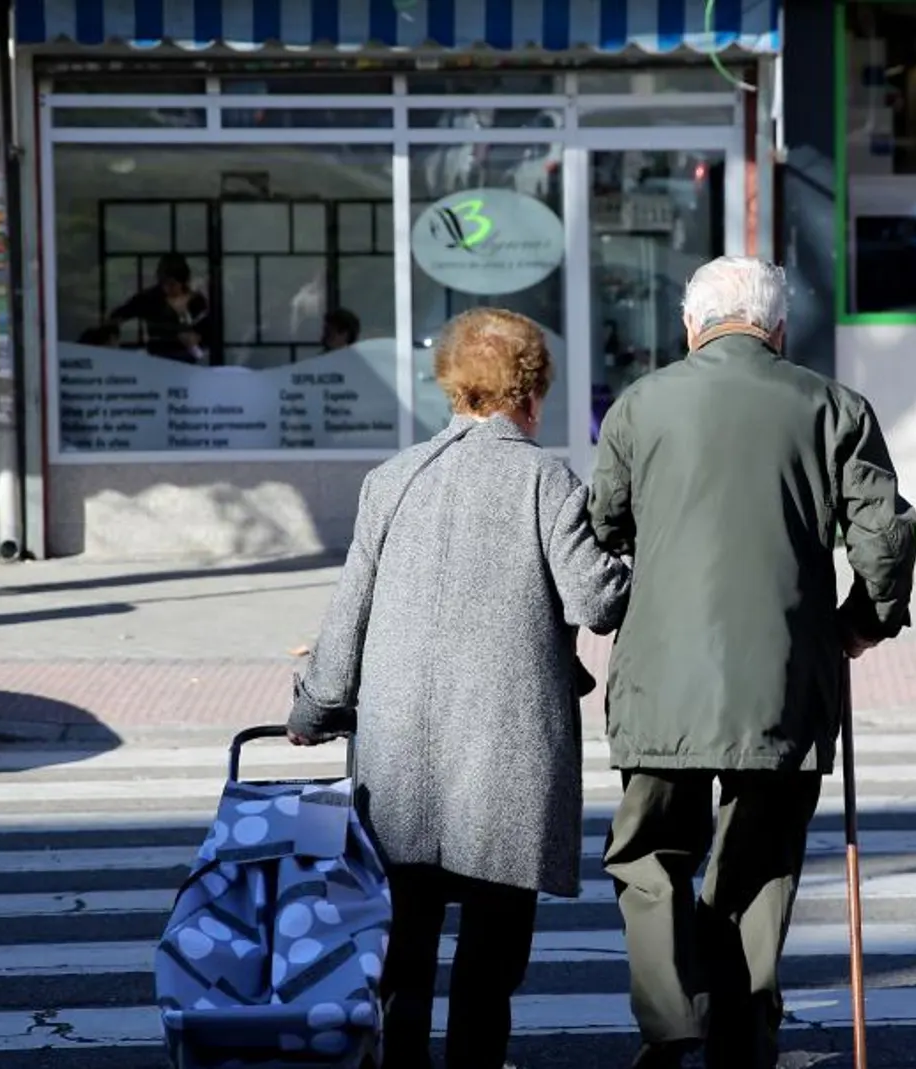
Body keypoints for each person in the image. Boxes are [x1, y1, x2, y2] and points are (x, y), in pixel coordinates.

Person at [589, 256, 916, 1069]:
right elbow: (885, 533)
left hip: (663, 678)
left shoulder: (640, 404)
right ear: (776, 327)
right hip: (782, 676)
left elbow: (605, 521)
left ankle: (671, 1028)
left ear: (692, 326)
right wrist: (864, 621)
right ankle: (741, 1039)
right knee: (759, 862)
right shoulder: (833, 406)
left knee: (649, 854)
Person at [285, 306, 631, 1069]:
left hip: (401, 762)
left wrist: (312, 707)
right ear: (530, 390)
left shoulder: (391, 479)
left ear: (452, 387)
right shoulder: (545, 478)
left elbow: (348, 617)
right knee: (489, 965)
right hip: (506, 764)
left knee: (401, 955)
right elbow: (598, 601)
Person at [106, 253, 208, 363]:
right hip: (157, 356)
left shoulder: (196, 300)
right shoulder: (149, 298)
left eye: (173, 284)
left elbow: (207, 327)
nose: (169, 288)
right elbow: (119, 315)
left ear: (182, 281)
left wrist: (197, 337)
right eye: (165, 283)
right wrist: (113, 336)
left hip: (188, 356)